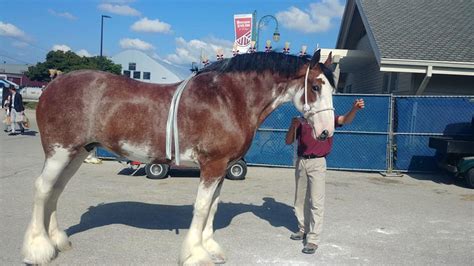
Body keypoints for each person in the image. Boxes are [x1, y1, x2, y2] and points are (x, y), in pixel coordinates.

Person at [285, 98, 365, 254]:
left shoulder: (327, 120)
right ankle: (303, 229)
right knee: (299, 200)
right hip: (301, 162)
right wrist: (292, 126)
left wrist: (354, 109)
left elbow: (345, 120)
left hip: (317, 163)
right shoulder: (301, 121)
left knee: (316, 201)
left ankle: (313, 240)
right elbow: (288, 141)